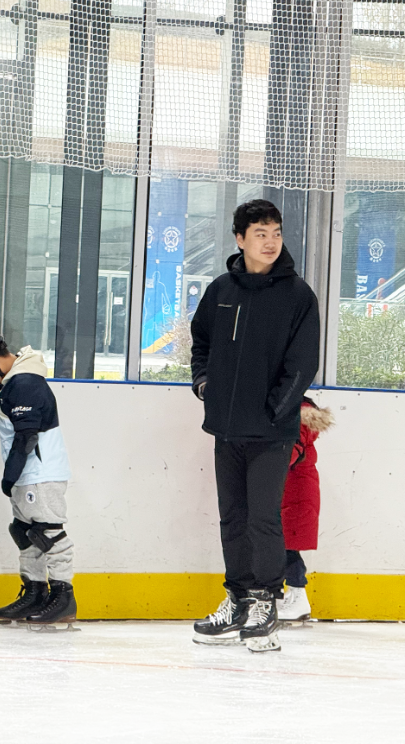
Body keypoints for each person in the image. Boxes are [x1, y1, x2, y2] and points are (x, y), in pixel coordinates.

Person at [190, 200, 320, 653]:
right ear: (240, 239)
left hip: (271, 432)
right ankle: (239, 599)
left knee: (264, 519)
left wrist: (275, 411)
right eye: (260, 233)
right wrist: (204, 384)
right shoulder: (221, 290)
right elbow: (201, 341)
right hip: (225, 428)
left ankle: (265, 601)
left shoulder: (298, 296)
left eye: (276, 233)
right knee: (233, 518)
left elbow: (303, 364)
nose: (270, 242)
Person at [0, 327, 77, 630]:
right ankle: (35, 592)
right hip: (29, 474)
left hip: (41, 474)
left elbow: (27, 436)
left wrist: (9, 477)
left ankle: (63, 596)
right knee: (25, 532)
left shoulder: (25, 383)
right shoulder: (14, 382)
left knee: (48, 533)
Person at [279, 396, 333, 623]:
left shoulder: (299, 417)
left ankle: (298, 595)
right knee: (281, 546)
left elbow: (290, 451)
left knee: (288, 547)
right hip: (291, 488)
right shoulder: (296, 414)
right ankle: (289, 595)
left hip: (296, 491)